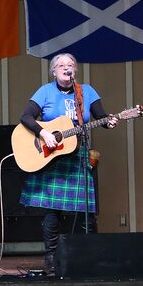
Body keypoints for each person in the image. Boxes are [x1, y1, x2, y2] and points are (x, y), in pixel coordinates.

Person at [19, 53, 117, 274]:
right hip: (52, 158)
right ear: (53, 71)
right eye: (61, 65)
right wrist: (44, 133)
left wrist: (110, 121)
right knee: (52, 210)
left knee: (86, 210)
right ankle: (51, 258)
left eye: (70, 65)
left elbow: (101, 117)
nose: (66, 68)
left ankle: (89, 255)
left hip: (78, 155)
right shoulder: (45, 91)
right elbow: (25, 116)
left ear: (75, 70)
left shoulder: (86, 92)